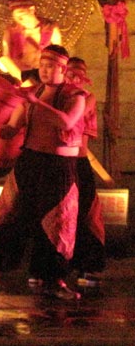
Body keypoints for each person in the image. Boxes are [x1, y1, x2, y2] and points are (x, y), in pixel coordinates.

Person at [0, 44, 86, 300]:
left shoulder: (76, 95)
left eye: (50, 66)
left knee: (57, 223)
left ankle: (52, 279)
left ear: (63, 69)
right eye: (42, 65)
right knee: (9, 215)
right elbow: (13, 126)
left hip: (58, 167)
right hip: (30, 161)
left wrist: (35, 102)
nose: (44, 70)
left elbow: (66, 121)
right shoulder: (31, 95)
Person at [65, 57, 106, 289]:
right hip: (56, 161)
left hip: (78, 163)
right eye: (69, 75)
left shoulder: (86, 98)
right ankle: (48, 270)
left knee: (86, 215)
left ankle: (89, 265)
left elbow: (73, 120)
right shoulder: (55, 96)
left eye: (77, 76)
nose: (73, 80)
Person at [0, 0, 61, 84]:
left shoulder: (51, 29)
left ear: (31, 9)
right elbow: (6, 67)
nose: (19, 19)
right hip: (20, 81)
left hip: (44, 81)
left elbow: (59, 60)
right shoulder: (11, 32)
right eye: (15, 16)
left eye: (21, 14)